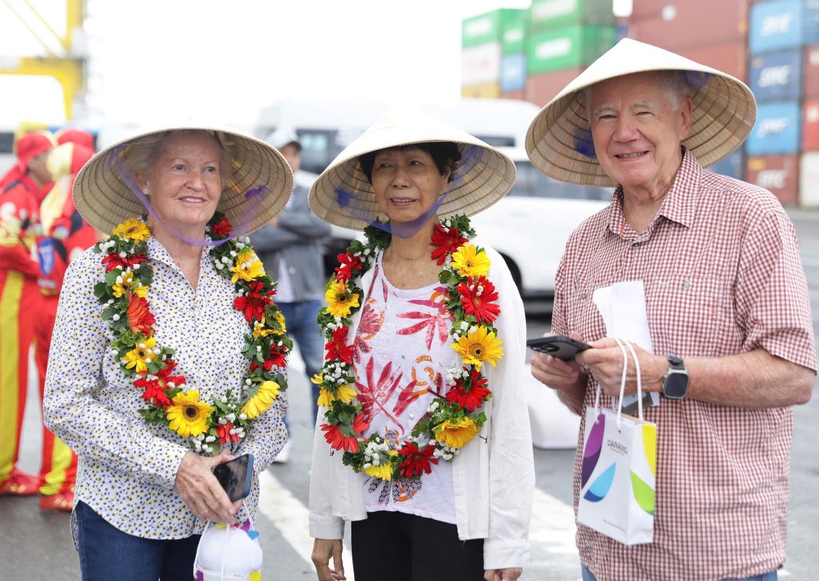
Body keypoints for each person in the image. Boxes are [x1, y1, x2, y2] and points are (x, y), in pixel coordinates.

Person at [526, 38, 818, 581]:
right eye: (606, 116)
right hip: (608, 543)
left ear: (683, 118)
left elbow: (793, 376)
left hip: (713, 545)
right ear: (592, 136)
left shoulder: (748, 216)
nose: (624, 131)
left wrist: (664, 373)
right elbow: (585, 399)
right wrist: (564, 376)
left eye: (643, 111)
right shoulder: (585, 242)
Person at [42, 123, 294, 579]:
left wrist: (234, 475)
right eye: (179, 167)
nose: (196, 182)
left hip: (218, 518)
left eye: (210, 169)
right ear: (145, 180)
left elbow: (273, 406)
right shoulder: (96, 273)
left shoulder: (248, 277)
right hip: (122, 514)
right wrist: (174, 466)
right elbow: (65, 403)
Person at [307, 109, 534, 581]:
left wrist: (508, 539)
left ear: (444, 176)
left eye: (416, 165)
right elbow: (334, 405)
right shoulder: (357, 277)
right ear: (371, 182)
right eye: (385, 167)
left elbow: (508, 407)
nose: (400, 180)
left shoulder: (483, 274)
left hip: (454, 511)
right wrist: (325, 520)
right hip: (373, 502)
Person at [0, 129, 56, 495]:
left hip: (20, 293)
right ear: (33, 159)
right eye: (49, 155)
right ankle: (1, 474)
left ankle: (4, 470)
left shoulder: (28, 190)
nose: (55, 163)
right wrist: (47, 271)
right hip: (8, 294)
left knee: (13, 383)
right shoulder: (15, 192)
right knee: (5, 386)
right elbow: (4, 246)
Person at [246, 129, 332, 463]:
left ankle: (323, 441)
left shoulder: (310, 194)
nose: (291, 159)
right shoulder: (254, 197)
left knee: (320, 371)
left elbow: (323, 229)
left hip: (309, 298)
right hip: (273, 302)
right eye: (283, 152)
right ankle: (280, 440)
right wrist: (298, 234)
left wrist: (280, 222)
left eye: (294, 153)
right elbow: (255, 240)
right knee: (273, 375)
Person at [31, 141, 102, 512]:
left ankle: (51, 477)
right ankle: (59, 482)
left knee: (52, 395)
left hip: (43, 302)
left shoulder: (50, 198)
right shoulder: (78, 207)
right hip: (65, 310)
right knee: (72, 400)